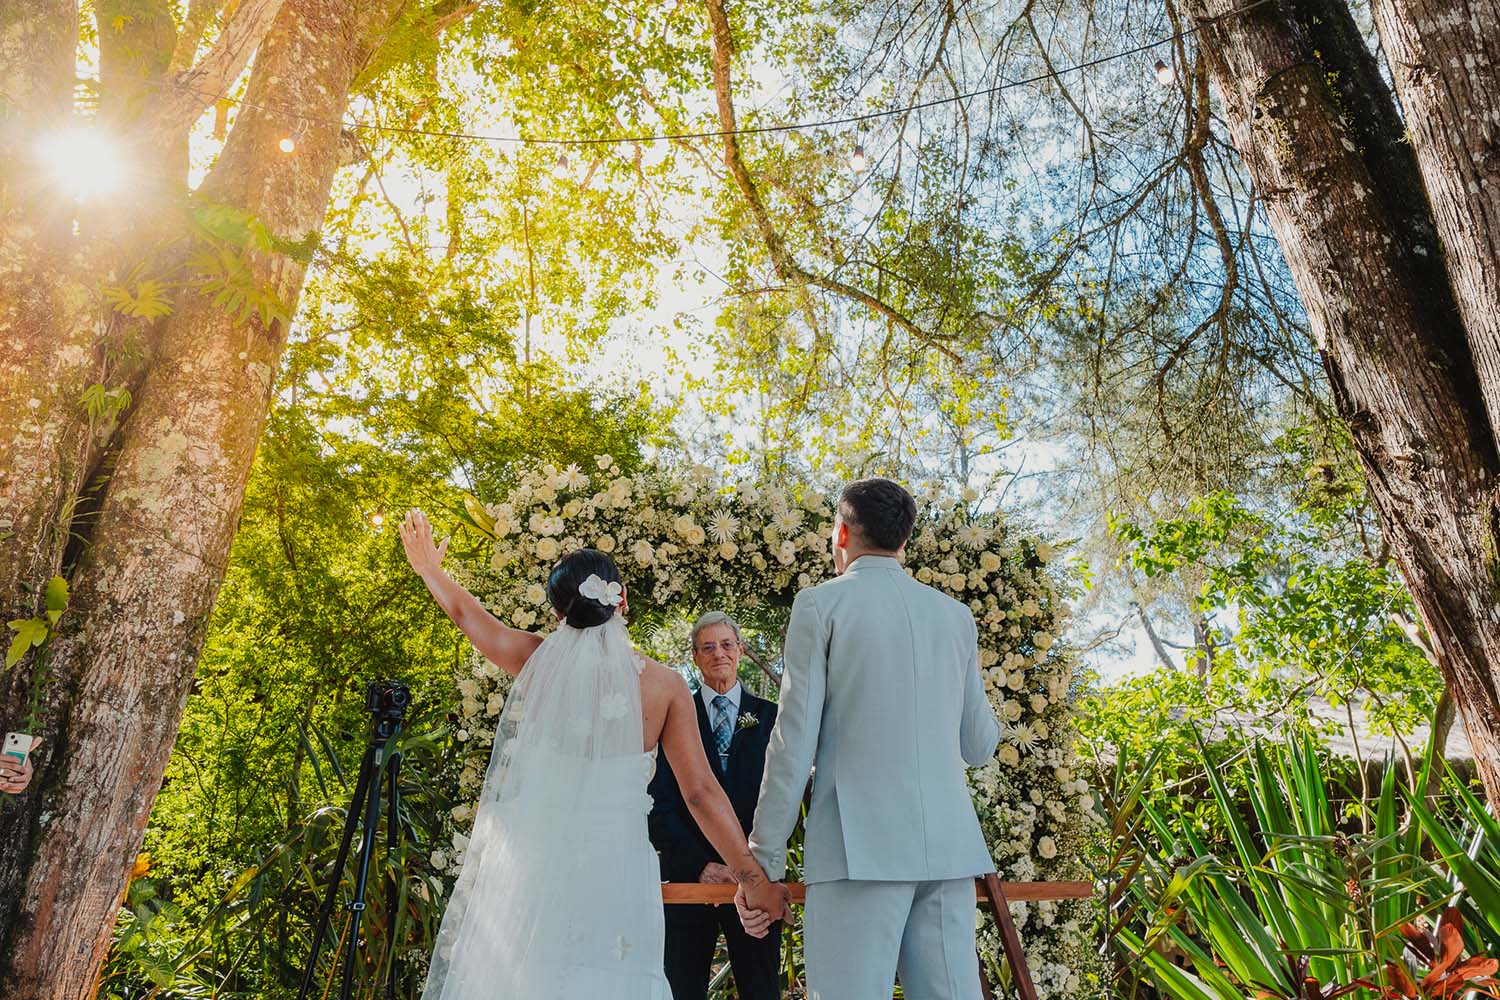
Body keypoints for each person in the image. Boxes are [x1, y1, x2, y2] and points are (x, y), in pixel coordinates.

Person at [398, 510, 775, 1000]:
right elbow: (702, 794)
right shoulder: (663, 686)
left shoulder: (536, 663)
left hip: (538, 869)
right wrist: (752, 877)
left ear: (559, 613)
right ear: (623, 600)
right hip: (618, 870)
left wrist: (430, 568)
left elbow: (469, 619)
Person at [737, 477, 1003, 1000]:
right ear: (905, 540)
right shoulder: (955, 617)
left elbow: (793, 745)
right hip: (948, 853)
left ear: (840, 533)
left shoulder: (820, 605)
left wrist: (763, 861)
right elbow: (979, 744)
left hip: (856, 852)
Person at [648, 612, 781, 1000]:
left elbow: (783, 799)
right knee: (682, 988)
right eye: (707, 647)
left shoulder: (773, 717)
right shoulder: (671, 713)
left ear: (740, 649)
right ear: (695, 656)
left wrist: (750, 867)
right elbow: (656, 803)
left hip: (756, 880)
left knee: (762, 989)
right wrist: (700, 865)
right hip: (689, 878)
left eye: (726, 644)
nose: (717, 653)